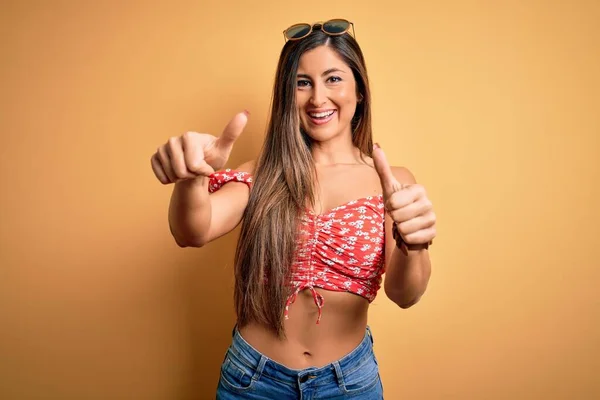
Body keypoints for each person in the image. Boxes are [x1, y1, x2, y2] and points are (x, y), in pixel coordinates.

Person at [150, 18, 436, 399]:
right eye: (303, 83)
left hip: (349, 384)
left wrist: (413, 245)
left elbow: (405, 294)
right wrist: (192, 178)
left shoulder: (393, 181)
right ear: (288, 95)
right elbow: (192, 231)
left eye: (333, 79)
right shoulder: (263, 173)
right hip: (253, 382)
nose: (318, 98)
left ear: (360, 90)